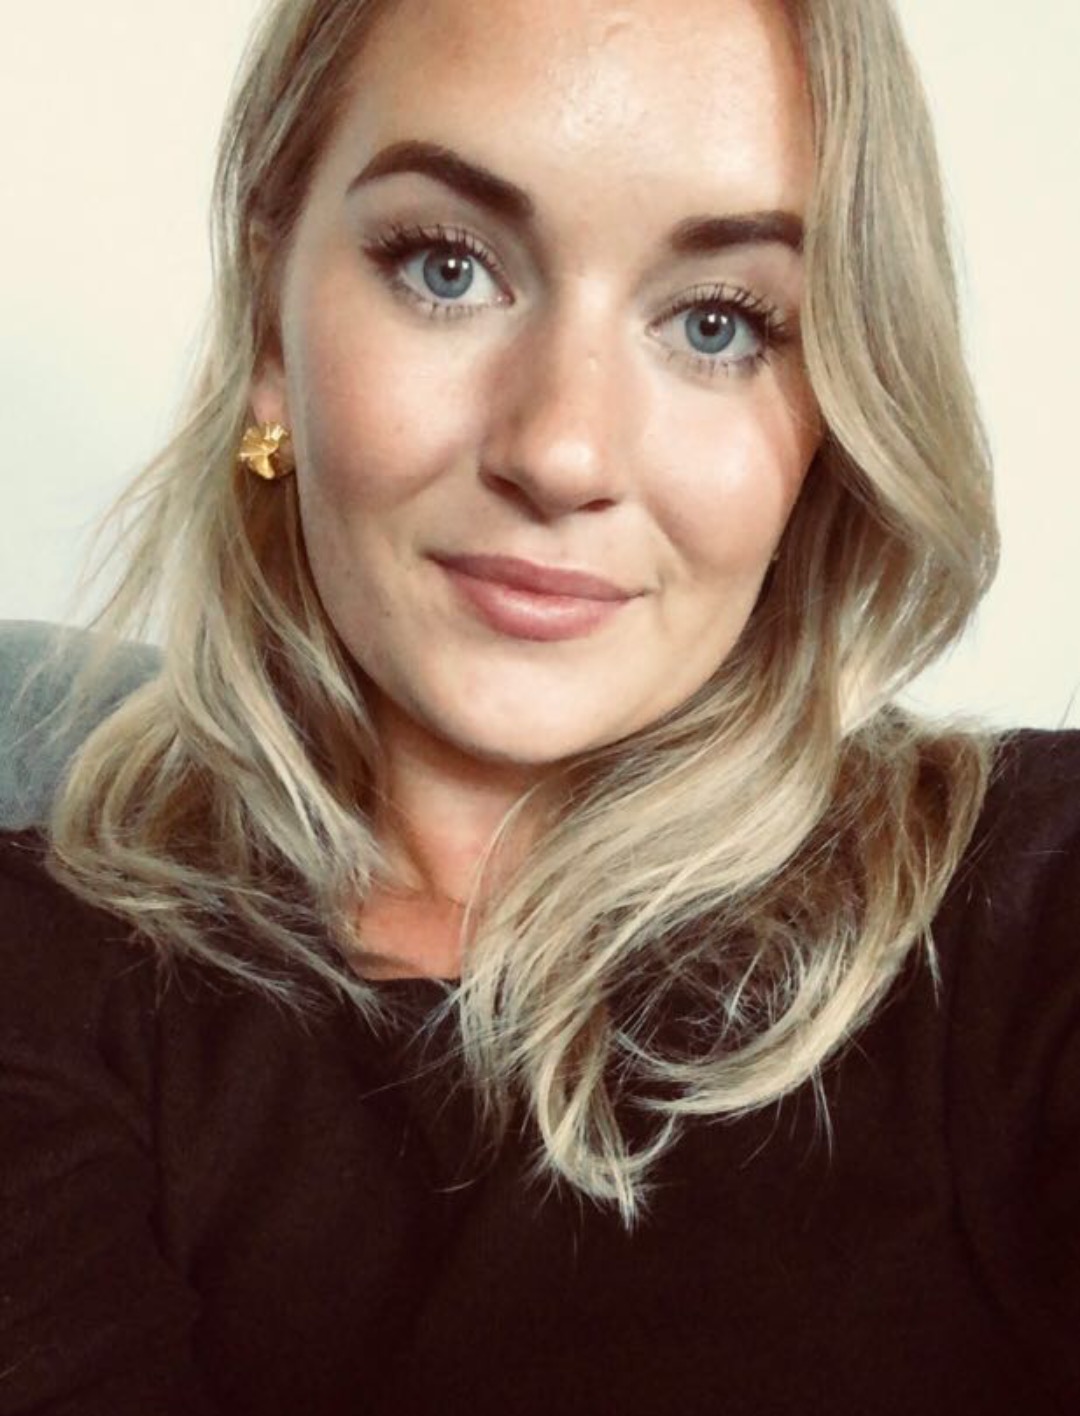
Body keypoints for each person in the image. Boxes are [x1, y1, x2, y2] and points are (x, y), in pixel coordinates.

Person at [1, 0, 1077, 1411]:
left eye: (719, 323)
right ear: (270, 322)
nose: (562, 451)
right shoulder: (42, 976)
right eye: (446, 267)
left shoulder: (1032, 905)